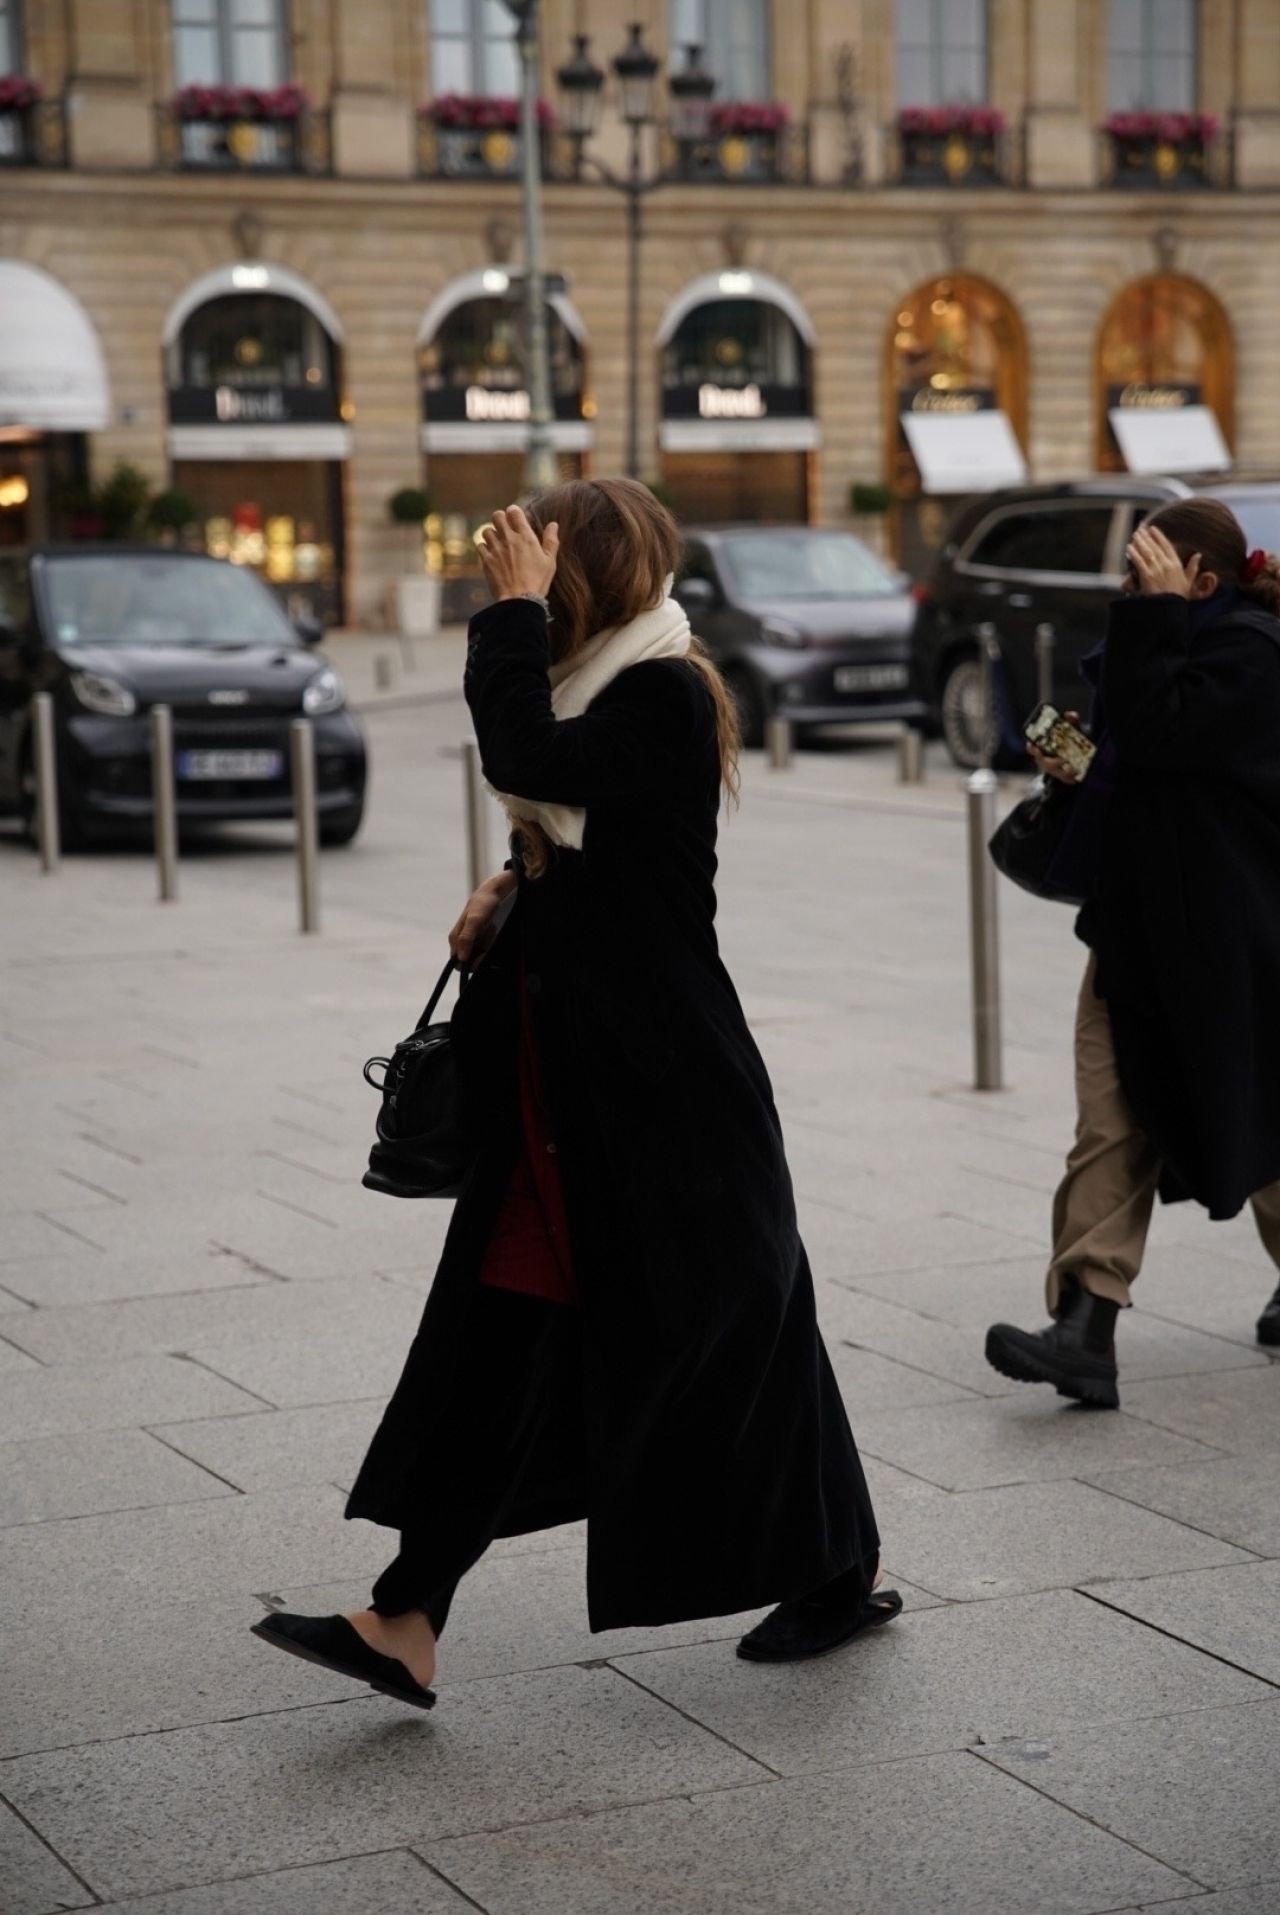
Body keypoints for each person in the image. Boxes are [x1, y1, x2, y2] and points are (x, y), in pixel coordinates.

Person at [252, 478, 898, 1709]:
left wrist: (506, 615)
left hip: (662, 1099)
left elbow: (533, 755)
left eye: (540, 565)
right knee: (503, 1340)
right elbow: (572, 809)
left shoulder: (662, 688)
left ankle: (836, 1568)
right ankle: (406, 1614)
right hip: (570, 1097)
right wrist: (512, 879)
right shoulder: (603, 691)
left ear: (579, 574)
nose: (518, 588)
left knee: (745, 1328)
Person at [986, 499, 1280, 1409]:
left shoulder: (1254, 655)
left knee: (1263, 1123)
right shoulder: (1162, 639)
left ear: (1201, 580)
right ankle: (1086, 1325)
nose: (1127, 584)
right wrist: (1075, 761)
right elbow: (1137, 753)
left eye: (1147, 568)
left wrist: (1150, 621)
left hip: (1236, 946)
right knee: (1111, 1117)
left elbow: (1165, 733)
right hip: (1140, 933)